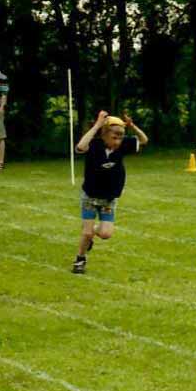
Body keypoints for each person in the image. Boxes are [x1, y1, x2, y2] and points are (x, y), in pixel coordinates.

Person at [70, 111, 148, 275]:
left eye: (120, 137)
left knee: (105, 234)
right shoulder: (94, 144)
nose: (117, 141)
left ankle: (91, 234)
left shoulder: (123, 145)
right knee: (86, 232)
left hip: (109, 198)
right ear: (104, 134)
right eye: (114, 137)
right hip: (90, 196)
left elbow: (143, 140)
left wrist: (132, 126)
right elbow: (80, 147)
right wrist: (97, 125)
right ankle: (80, 259)